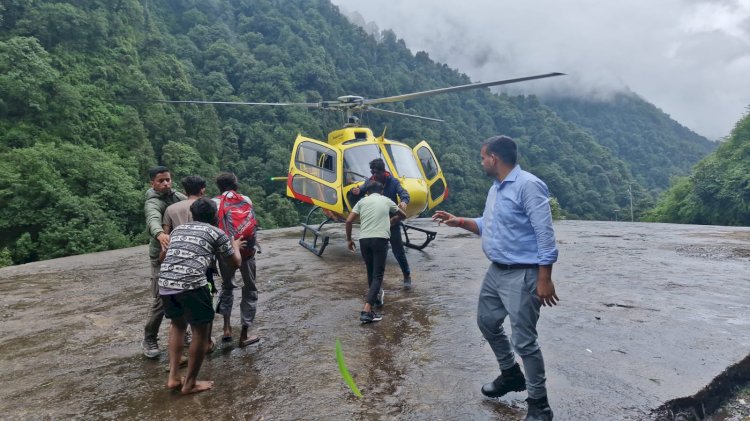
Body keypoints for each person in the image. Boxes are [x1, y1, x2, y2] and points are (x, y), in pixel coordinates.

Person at [432, 135, 559, 421]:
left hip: (523, 273)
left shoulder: (528, 185)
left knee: (525, 341)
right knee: (487, 322)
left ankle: (539, 404)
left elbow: (545, 235)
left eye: (482, 157)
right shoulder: (496, 189)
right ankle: (511, 374)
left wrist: (544, 278)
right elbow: (489, 224)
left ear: (494, 158)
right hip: (496, 272)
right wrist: (461, 221)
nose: (481, 162)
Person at [159, 197, 242, 395]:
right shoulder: (217, 232)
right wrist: (235, 245)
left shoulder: (178, 229)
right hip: (192, 285)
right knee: (200, 332)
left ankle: (173, 378)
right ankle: (190, 384)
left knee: (178, 326)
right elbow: (235, 263)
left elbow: (163, 256)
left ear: (192, 215)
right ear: (215, 216)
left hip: (165, 284)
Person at [345, 181, 407, 323]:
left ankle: (375, 300)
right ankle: (366, 311)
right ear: (382, 191)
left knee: (370, 271)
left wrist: (349, 240)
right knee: (378, 275)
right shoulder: (386, 200)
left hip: (364, 240)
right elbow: (403, 215)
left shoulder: (362, 202)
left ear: (367, 192)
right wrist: (392, 219)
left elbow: (348, 221)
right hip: (380, 239)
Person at [161, 175, 210, 352]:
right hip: (201, 262)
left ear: (184, 190)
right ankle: (206, 342)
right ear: (202, 189)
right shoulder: (208, 205)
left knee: (177, 321)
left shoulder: (171, 209)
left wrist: (163, 257)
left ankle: (178, 356)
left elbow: (166, 236)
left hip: (176, 261)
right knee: (204, 306)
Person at [212, 172, 261, 348]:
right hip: (247, 250)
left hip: (226, 252)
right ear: (236, 185)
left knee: (227, 286)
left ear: (219, 187)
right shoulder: (246, 200)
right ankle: (244, 335)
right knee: (250, 289)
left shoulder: (214, 202)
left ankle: (226, 329)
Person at [142, 166, 186, 359]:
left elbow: (192, 205)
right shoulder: (152, 202)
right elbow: (152, 220)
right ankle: (149, 338)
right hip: (160, 255)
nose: (166, 183)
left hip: (180, 251)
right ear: (153, 183)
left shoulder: (177, 196)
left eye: (168, 179)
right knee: (161, 299)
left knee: (184, 291)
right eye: (161, 181)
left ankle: (183, 332)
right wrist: (160, 234)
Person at [350, 158, 413, 289]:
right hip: (377, 223)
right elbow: (361, 189)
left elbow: (405, 194)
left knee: (398, 251)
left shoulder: (393, 182)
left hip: (392, 222)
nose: (374, 176)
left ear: (383, 172)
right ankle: (375, 284)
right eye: (372, 172)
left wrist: (404, 202)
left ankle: (406, 275)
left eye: (376, 173)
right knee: (375, 253)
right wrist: (356, 191)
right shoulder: (370, 180)